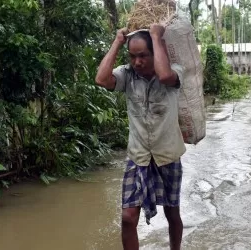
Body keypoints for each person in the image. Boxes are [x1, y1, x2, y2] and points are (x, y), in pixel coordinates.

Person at [95, 24, 186, 250]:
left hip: (168, 155)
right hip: (138, 157)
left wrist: (156, 35)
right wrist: (117, 41)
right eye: (133, 56)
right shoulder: (127, 76)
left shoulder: (174, 71)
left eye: (143, 55)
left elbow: (164, 75)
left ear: (155, 52)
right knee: (127, 217)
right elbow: (101, 79)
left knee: (172, 213)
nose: (137, 62)